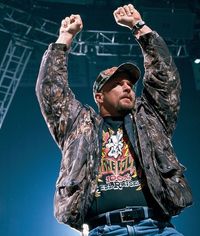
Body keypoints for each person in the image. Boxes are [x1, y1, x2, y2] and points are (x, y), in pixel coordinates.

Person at [36, 3, 192, 236]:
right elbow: (51, 91)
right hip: (104, 230)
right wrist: (65, 38)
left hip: (157, 228)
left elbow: (165, 79)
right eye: (118, 84)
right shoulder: (78, 125)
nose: (127, 87)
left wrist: (140, 27)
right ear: (99, 96)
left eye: (130, 84)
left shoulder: (151, 119)